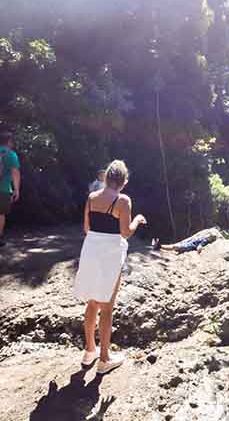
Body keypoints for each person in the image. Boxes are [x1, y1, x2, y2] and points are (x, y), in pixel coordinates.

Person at [73, 159, 146, 373]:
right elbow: (125, 232)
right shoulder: (123, 201)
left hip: (90, 250)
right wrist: (138, 220)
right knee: (107, 306)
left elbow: (86, 228)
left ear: (106, 178)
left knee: (92, 302)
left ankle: (89, 351)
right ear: (123, 182)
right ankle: (104, 359)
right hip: (111, 253)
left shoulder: (91, 197)